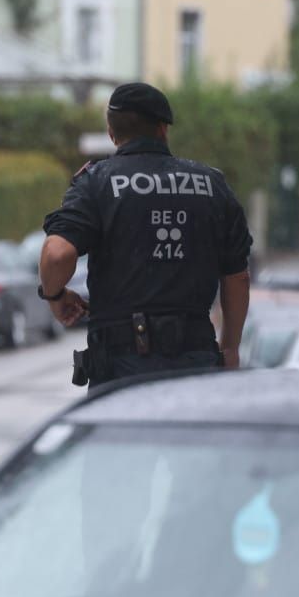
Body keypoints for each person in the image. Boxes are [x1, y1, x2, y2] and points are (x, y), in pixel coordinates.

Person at [38, 82, 251, 385]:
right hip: (195, 366)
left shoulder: (97, 183)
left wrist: (55, 295)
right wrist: (230, 347)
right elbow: (237, 277)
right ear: (163, 129)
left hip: (122, 371)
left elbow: (57, 254)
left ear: (112, 134)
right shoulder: (212, 185)